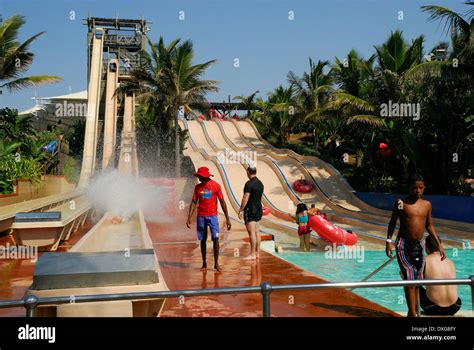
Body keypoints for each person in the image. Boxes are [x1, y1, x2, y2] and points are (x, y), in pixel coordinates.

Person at [386, 174, 446, 317]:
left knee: (418, 280)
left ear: (424, 188)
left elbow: (429, 225)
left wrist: (439, 245)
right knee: (408, 276)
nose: (418, 191)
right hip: (403, 245)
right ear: (409, 188)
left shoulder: (426, 205)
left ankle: (411, 311)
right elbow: (393, 222)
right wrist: (388, 241)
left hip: (419, 245)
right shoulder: (401, 202)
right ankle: (413, 313)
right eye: (415, 188)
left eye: (421, 188)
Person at [186, 167, 231, 272]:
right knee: (203, 240)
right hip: (201, 216)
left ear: (204, 176)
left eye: (200, 176)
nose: (199, 178)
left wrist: (227, 218)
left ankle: (216, 264)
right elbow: (193, 202)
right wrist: (189, 217)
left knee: (215, 239)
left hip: (213, 217)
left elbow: (222, 201)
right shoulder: (197, 187)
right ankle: (204, 263)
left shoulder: (216, 186)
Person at [420, 236, 461, 316]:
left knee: (410, 282)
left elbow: (414, 279)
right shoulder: (450, 262)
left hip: (434, 308)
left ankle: (413, 312)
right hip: (455, 306)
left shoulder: (424, 261)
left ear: (426, 246)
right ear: (440, 246)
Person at [238, 166, 264, 260]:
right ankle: (257, 253)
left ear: (248, 172)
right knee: (257, 232)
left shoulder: (249, 184)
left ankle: (252, 254)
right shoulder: (260, 183)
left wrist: (241, 209)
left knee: (251, 232)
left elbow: (246, 197)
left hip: (251, 209)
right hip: (258, 208)